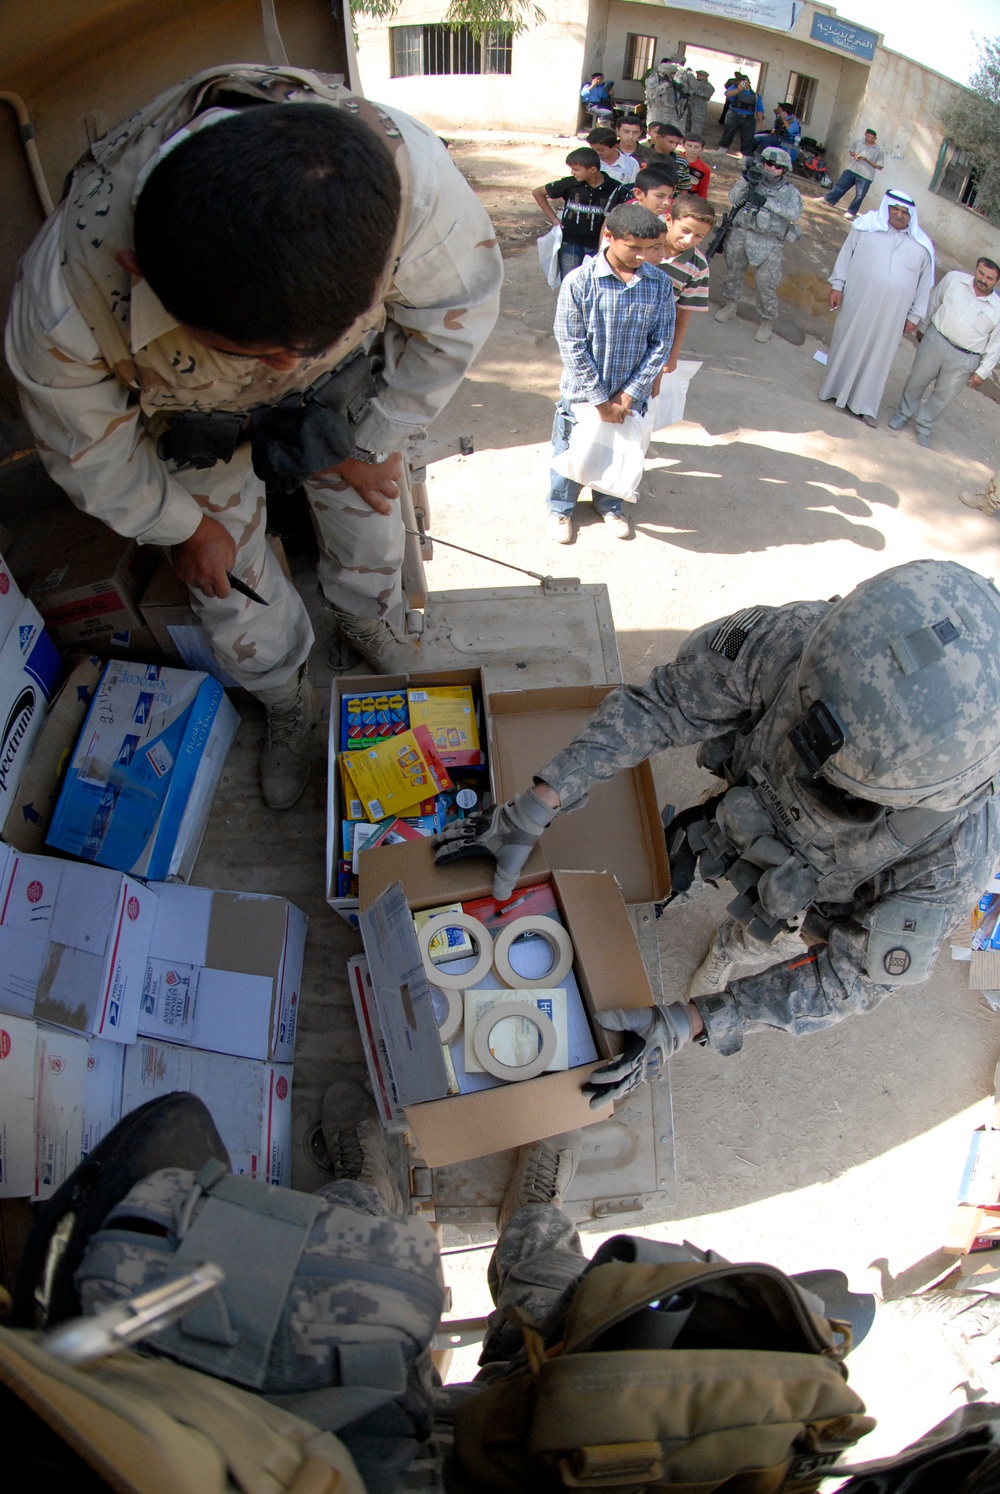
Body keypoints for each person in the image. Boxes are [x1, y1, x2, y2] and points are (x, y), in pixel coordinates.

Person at [4, 65, 503, 813]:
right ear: (144, 276)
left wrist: (375, 437)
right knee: (225, 589)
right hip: (189, 417)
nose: (282, 368)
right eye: (256, 349)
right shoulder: (64, 305)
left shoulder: (409, 185)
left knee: (371, 510)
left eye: (298, 345)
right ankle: (285, 697)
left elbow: (451, 319)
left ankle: (365, 616)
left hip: (342, 388)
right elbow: (93, 453)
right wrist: (182, 525)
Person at [434, 559, 1000, 1093]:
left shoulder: (951, 856)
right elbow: (663, 705)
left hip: (812, 893)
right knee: (690, 844)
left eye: (840, 788)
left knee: (763, 930)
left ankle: (733, 946)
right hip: (741, 805)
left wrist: (700, 1020)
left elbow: (849, 977)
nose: (807, 765)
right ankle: (675, 877)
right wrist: (540, 800)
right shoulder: (798, 645)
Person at [543, 202, 675, 545]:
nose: (642, 256)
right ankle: (561, 508)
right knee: (571, 448)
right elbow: (571, 344)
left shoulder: (659, 284)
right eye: (633, 247)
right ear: (609, 236)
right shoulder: (580, 282)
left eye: (650, 249)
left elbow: (660, 343)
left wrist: (629, 393)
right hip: (584, 395)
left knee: (620, 452)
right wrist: (601, 400)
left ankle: (610, 504)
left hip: (630, 396)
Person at [819, 190, 934, 428]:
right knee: (848, 341)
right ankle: (832, 390)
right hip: (858, 303)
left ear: (911, 215)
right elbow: (844, 258)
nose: (900, 215)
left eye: (905, 212)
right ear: (887, 208)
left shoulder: (922, 247)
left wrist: (914, 316)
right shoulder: (865, 227)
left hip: (891, 316)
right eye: (896, 209)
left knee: (879, 357)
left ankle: (866, 406)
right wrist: (837, 286)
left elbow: (925, 287)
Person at [889, 257, 1000, 448]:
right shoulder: (954, 280)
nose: (983, 279)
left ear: (996, 282)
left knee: (943, 396)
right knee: (917, 380)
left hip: (966, 357)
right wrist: (923, 327)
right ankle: (903, 414)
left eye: (989, 278)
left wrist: (982, 372)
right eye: (981, 273)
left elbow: (996, 343)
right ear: (976, 269)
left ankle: (924, 427)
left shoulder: (997, 308)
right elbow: (933, 302)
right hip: (936, 340)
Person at [714, 147, 802, 343]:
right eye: (768, 163)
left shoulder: (790, 192)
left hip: (769, 241)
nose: (771, 168)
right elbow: (733, 198)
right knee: (733, 272)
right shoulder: (752, 179)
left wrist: (765, 202)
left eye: (777, 166)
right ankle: (730, 305)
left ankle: (767, 320)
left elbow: (793, 214)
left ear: (784, 170)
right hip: (741, 234)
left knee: (766, 283)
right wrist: (744, 179)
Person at [648, 194, 716, 370]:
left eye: (698, 236)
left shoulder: (698, 266)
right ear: (669, 220)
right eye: (685, 230)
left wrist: (673, 355)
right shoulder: (644, 243)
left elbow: (683, 314)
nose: (689, 240)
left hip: (655, 339)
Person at [532, 146, 617, 281]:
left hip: (598, 246)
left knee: (597, 282)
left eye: (576, 169)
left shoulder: (614, 189)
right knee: (570, 282)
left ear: (593, 169)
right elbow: (538, 192)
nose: (572, 173)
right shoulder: (570, 184)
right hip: (570, 243)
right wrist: (554, 219)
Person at [823, 129, 885, 219]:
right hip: (852, 170)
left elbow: (879, 166)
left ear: (875, 139)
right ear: (865, 135)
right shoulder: (858, 142)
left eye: (872, 138)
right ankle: (828, 200)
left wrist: (866, 160)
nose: (870, 139)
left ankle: (851, 211)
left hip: (866, 176)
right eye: (868, 136)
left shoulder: (878, 150)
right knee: (840, 186)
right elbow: (851, 151)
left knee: (860, 195)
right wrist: (855, 155)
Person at [644, 57, 694, 134]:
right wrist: (667, 84)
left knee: (670, 134)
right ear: (666, 72)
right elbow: (653, 94)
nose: (674, 75)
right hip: (657, 112)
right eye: (672, 73)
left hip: (670, 112)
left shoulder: (671, 81)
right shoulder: (653, 80)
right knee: (655, 133)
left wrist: (682, 93)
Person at [717, 75, 761, 157]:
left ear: (749, 83)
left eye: (746, 81)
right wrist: (738, 89)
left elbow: (759, 109)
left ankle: (745, 155)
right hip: (734, 115)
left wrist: (760, 122)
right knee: (728, 133)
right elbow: (727, 94)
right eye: (742, 81)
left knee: (747, 137)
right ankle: (723, 148)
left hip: (748, 118)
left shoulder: (755, 96)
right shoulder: (734, 88)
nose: (744, 83)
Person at [646, 123, 692, 190]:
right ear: (658, 137)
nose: (674, 147)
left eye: (677, 143)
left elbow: (684, 189)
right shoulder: (642, 157)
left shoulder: (682, 162)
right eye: (670, 142)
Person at [687, 70, 714, 138]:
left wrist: (694, 91)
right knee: (687, 122)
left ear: (706, 77)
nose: (699, 75)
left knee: (697, 125)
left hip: (699, 108)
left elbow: (707, 95)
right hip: (689, 104)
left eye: (701, 75)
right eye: (698, 74)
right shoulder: (692, 82)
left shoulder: (709, 86)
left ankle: (694, 138)